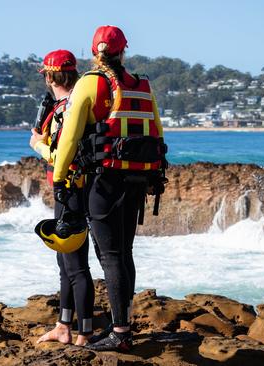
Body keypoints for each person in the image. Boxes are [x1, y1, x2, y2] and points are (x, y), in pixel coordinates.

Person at [52, 26, 166, 352]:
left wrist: (60, 179)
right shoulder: (141, 85)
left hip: (104, 183)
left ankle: (120, 333)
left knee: (110, 256)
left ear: (94, 52)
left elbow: (70, 137)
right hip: (136, 182)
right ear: (123, 51)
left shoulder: (90, 82)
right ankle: (125, 324)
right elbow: (156, 131)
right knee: (124, 253)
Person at [30, 50, 94, 346]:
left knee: (75, 264)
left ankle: (84, 332)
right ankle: (64, 325)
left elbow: (61, 155)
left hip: (69, 189)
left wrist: (37, 145)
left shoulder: (67, 109)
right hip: (75, 189)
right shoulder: (73, 104)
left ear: (50, 75)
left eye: (45, 74)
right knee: (64, 260)